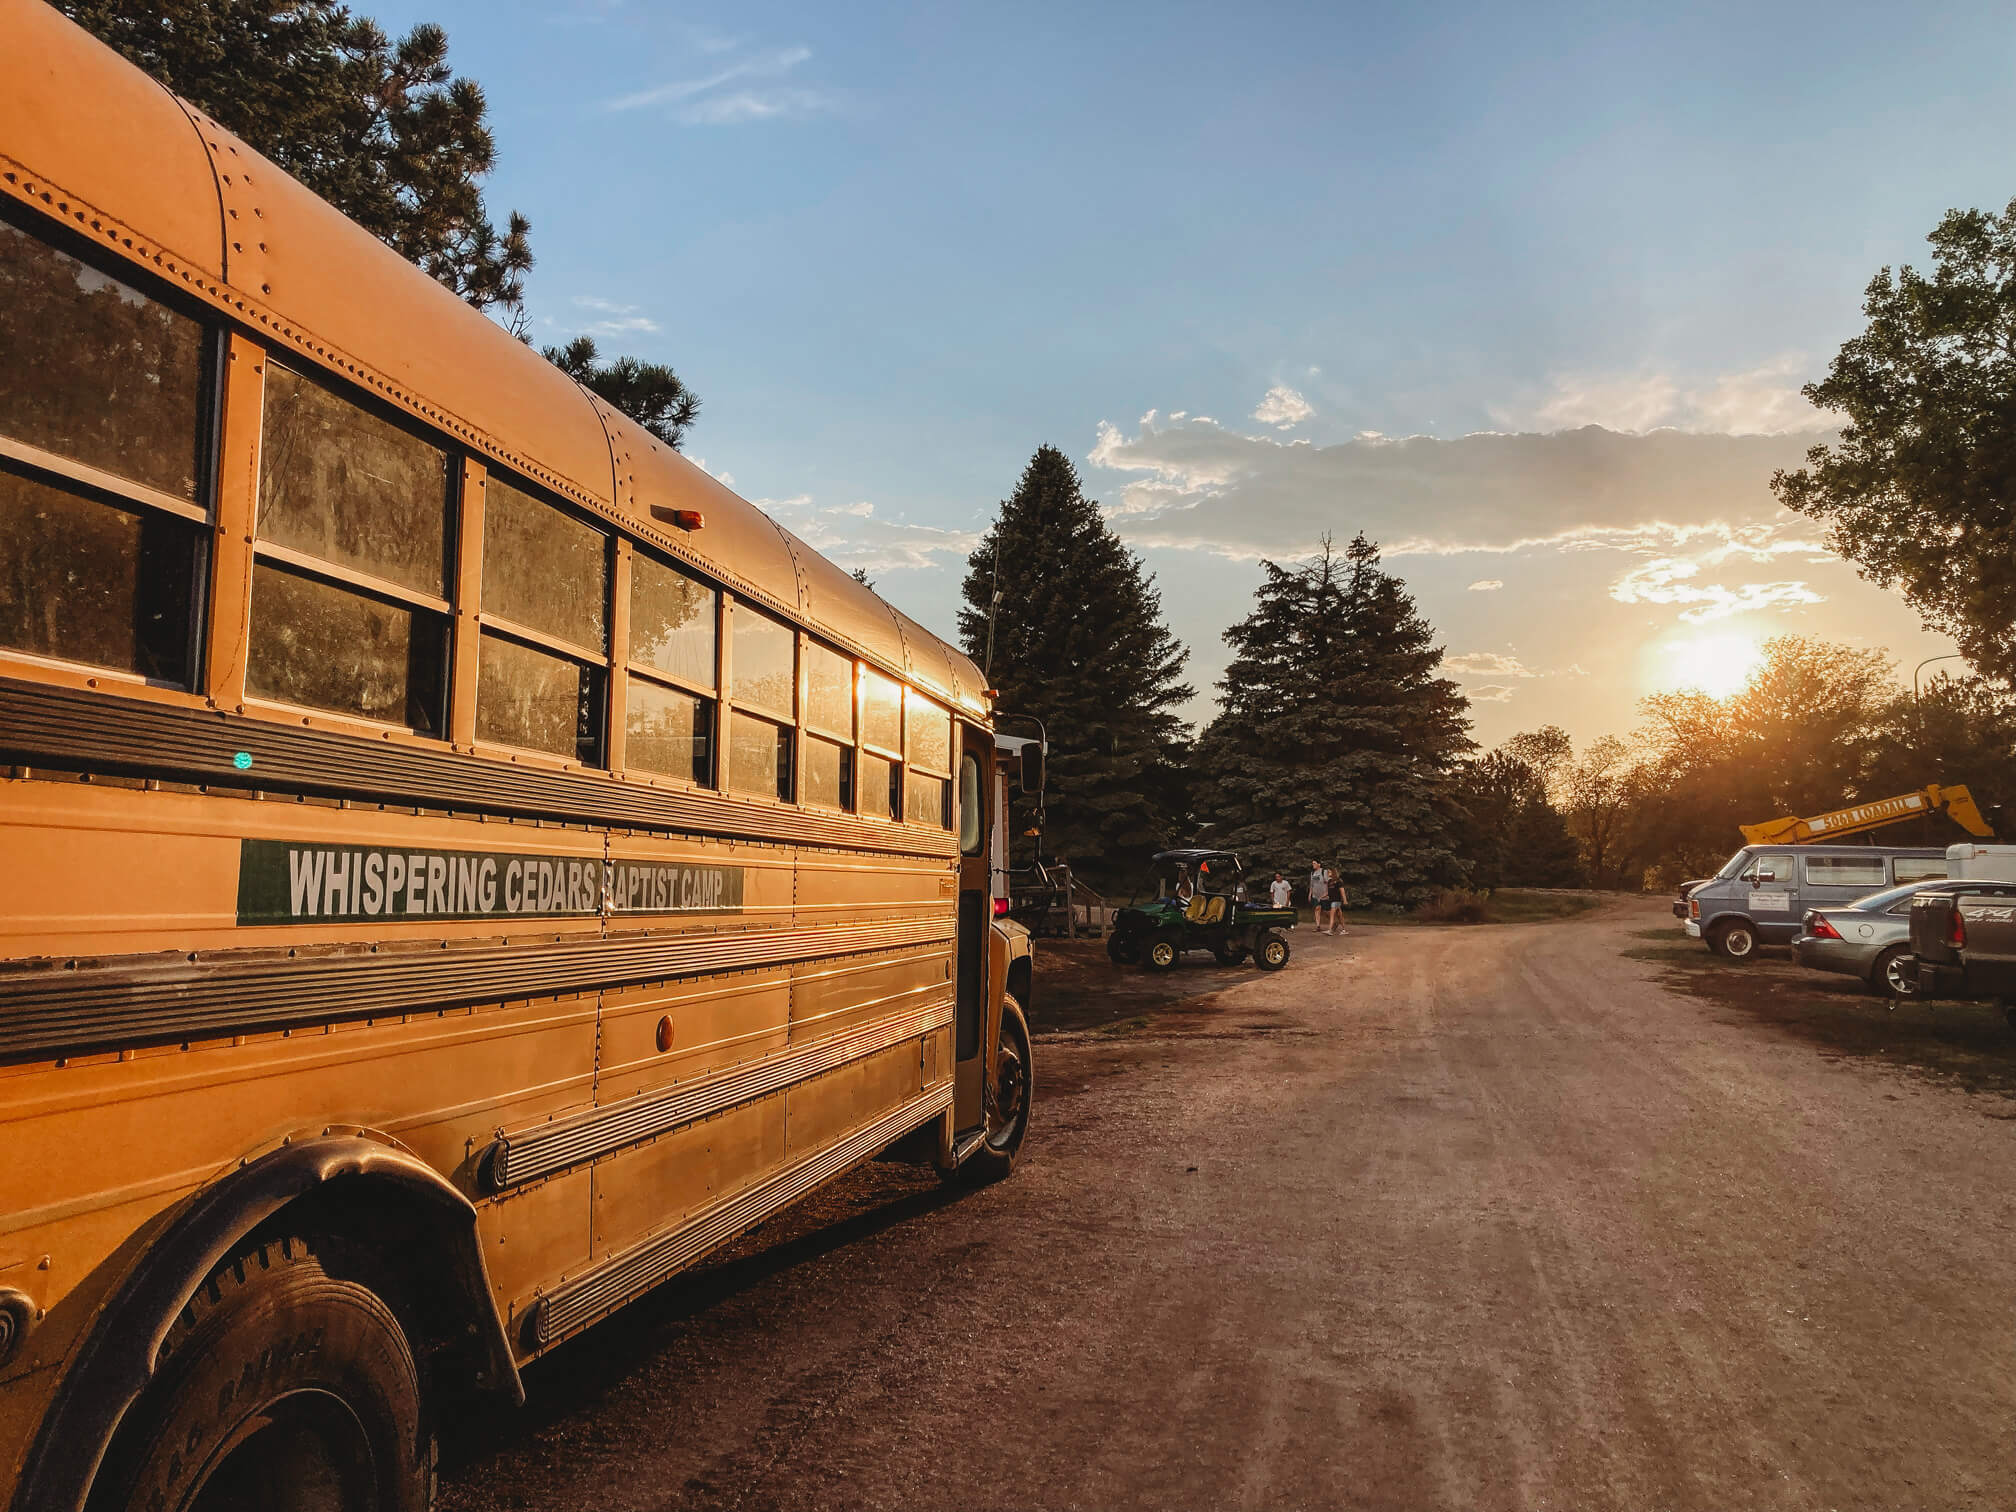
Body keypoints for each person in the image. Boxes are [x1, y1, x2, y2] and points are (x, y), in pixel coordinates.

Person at [1323, 866, 1347, 934]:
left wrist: (1345, 900)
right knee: (1339, 916)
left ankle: (1330, 930)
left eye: (1329, 872)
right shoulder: (1329, 881)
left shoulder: (1339, 881)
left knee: (1332, 915)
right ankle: (1344, 930)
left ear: (1333, 872)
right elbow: (1328, 892)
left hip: (1336, 900)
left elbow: (1342, 891)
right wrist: (1323, 896)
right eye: (1328, 872)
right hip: (1332, 900)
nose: (1328, 873)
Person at [1306, 862, 1329, 932]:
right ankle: (1318, 926)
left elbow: (1328, 883)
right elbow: (1311, 884)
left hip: (1324, 895)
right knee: (1317, 909)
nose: (1313, 865)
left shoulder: (1324, 871)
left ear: (1319, 864)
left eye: (1314, 863)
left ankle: (1333, 922)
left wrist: (1327, 893)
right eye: (1312, 863)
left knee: (1325, 911)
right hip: (1315, 895)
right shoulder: (1312, 873)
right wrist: (1310, 894)